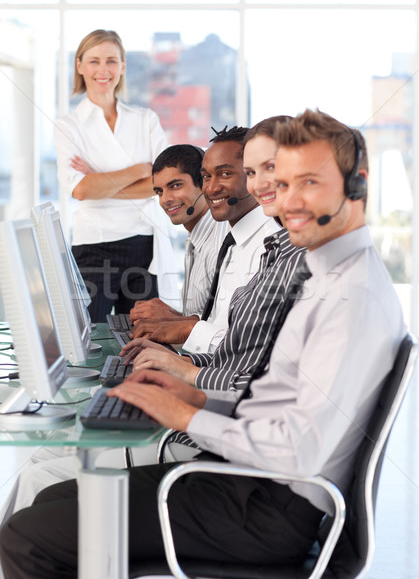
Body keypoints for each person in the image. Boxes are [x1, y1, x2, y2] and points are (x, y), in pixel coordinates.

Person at [0, 109, 406, 577]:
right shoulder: (328, 271)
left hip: (264, 504)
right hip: (248, 479)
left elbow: (296, 451)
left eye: (309, 183)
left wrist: (187, 414)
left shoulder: (347, 295)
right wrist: (192, 393)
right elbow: (275, 398)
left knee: (28, 537)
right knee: (53, 498)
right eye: (282, 182)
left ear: (357, 182)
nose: (287, 201)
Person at [54, 29, 177, 322]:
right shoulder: (68, 126)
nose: (103, 69)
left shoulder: (145, 119)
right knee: (89, 334)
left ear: (122, 66)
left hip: (144, 243)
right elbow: (82, 191)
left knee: (143, 336)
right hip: (94, 245)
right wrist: (140, 170)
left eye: (111, 61)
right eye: (94, 61)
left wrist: (101, 180)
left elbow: (164, 182)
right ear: (80, 65)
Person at [130, 126, 278, 350]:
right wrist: (174, 325)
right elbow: (222, 325)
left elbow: (251, 346)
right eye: (207, 177)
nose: (211, 187)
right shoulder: (231, 241)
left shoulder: (269, 244)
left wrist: (184, 328)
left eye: (225, 174)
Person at [129, 144, 228, 326]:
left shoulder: (221, 241)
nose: (165, 199)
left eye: (175, 186)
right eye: (159, 191)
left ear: (203, 183)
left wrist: (170, 319)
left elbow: (224, 331)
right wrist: (168, 315)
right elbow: (204, 317)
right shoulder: (194, 238)